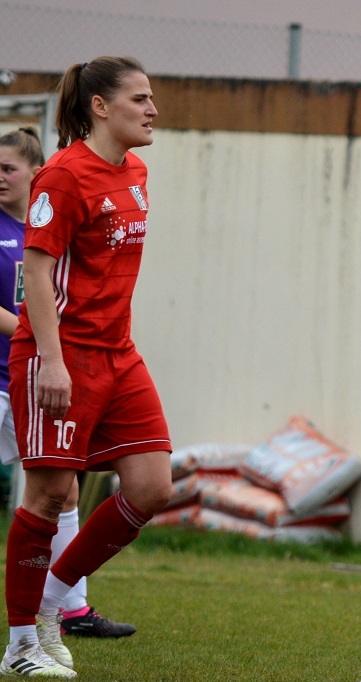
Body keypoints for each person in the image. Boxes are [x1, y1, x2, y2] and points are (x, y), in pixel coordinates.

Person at [2, 56, 171, 679]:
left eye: (151, 98)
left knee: (152, 487)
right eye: (140, 99)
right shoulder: (63, 175)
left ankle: (51, 601)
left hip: (119, 354)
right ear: (100, 106)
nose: (152, 109)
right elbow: (37, 271)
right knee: (49, 496)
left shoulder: (137, 171)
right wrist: (50, 361)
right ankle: (21, 645)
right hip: (61, 355)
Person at [0, 127, 138, 645]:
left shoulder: (58, 216)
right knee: (48, 493)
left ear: (35, 174)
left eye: (8, 169)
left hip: (46, 371)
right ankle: (32, 629)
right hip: (23, 371)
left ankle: (69, 606)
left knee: (63, 489)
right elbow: (36, 300)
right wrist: (42, 338)